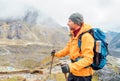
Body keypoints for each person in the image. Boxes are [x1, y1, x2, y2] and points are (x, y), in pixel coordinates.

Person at [51, 12, 94, 81]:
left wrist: (70, 67)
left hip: (83, 76)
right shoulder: (74, 35)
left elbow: (88, 59)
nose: (67, 23)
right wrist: (55, 54)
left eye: (70, 21)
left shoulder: (86, 37)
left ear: (76, 22)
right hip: (73, 72)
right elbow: (67, 49)